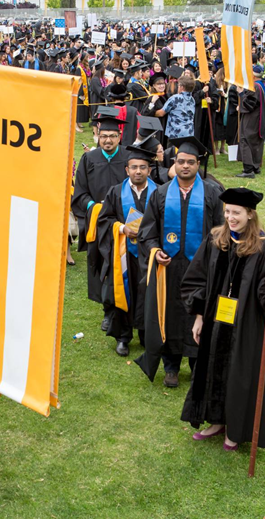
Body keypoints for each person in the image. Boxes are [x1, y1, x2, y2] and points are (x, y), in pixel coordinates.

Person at [179, 187, 265, 451]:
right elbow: (198, 279)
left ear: (250, 214)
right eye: (227, 211)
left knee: (239, 374)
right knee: (212, 367)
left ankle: (236, 429)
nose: (230, 217)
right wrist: (199, 318)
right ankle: (216, 421)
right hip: (215, 319)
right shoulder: (216, 239)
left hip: (246, 324)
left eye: (237, 213)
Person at [136, 136, 224, 388]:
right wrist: (155, 249)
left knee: (200, 311)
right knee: (171, 315)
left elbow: (221, 229)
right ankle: (171, 367)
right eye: (181, 162)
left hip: (202, 269)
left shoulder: (212, 193)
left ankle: (198, 367)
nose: (185, 166)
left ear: (198, 164)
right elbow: (147, 231)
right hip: (170, 267)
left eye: (191, 162)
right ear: (174, 163)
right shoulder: (161, 194)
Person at [95, 136, 158, 356]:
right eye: (134, 167)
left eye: (142, 167)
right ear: (126, 169)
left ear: (149, 170)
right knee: (122, 291)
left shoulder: (159, 193)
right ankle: (123, 336)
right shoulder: (115, 192)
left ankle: (144, 334)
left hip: (149, 253)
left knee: (147, 293)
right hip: (123, 253)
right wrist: (122, 229)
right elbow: (104, 220)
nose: (138, 171)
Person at [70, 113, 129, 326]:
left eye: (112, 136)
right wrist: (94, 207)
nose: (108, 140)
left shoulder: (128, 158)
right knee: (102, 266)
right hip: (98, 222)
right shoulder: (89, 159)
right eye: (103, 136)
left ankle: (123, 307)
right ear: (97, 136)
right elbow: (80, 192)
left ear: (119, 136)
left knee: (123, 265)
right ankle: (107, 310)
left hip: (123, 224)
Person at [235, 65, 265, 178]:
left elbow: (250, 104)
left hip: (252, 119)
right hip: (259, 119)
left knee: (246, 141)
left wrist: (241, 93)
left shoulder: (254, 86)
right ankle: (255, 166)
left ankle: (248, 169)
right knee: (255, 143)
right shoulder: (262, 86)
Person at [155, 74, 197, 140]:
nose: (178, 87)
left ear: (182, 87)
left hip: (175, 134)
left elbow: (161, 113)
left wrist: (150, 111)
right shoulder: (192, 100)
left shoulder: (175, 98)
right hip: (189, 133)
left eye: (179, 85)